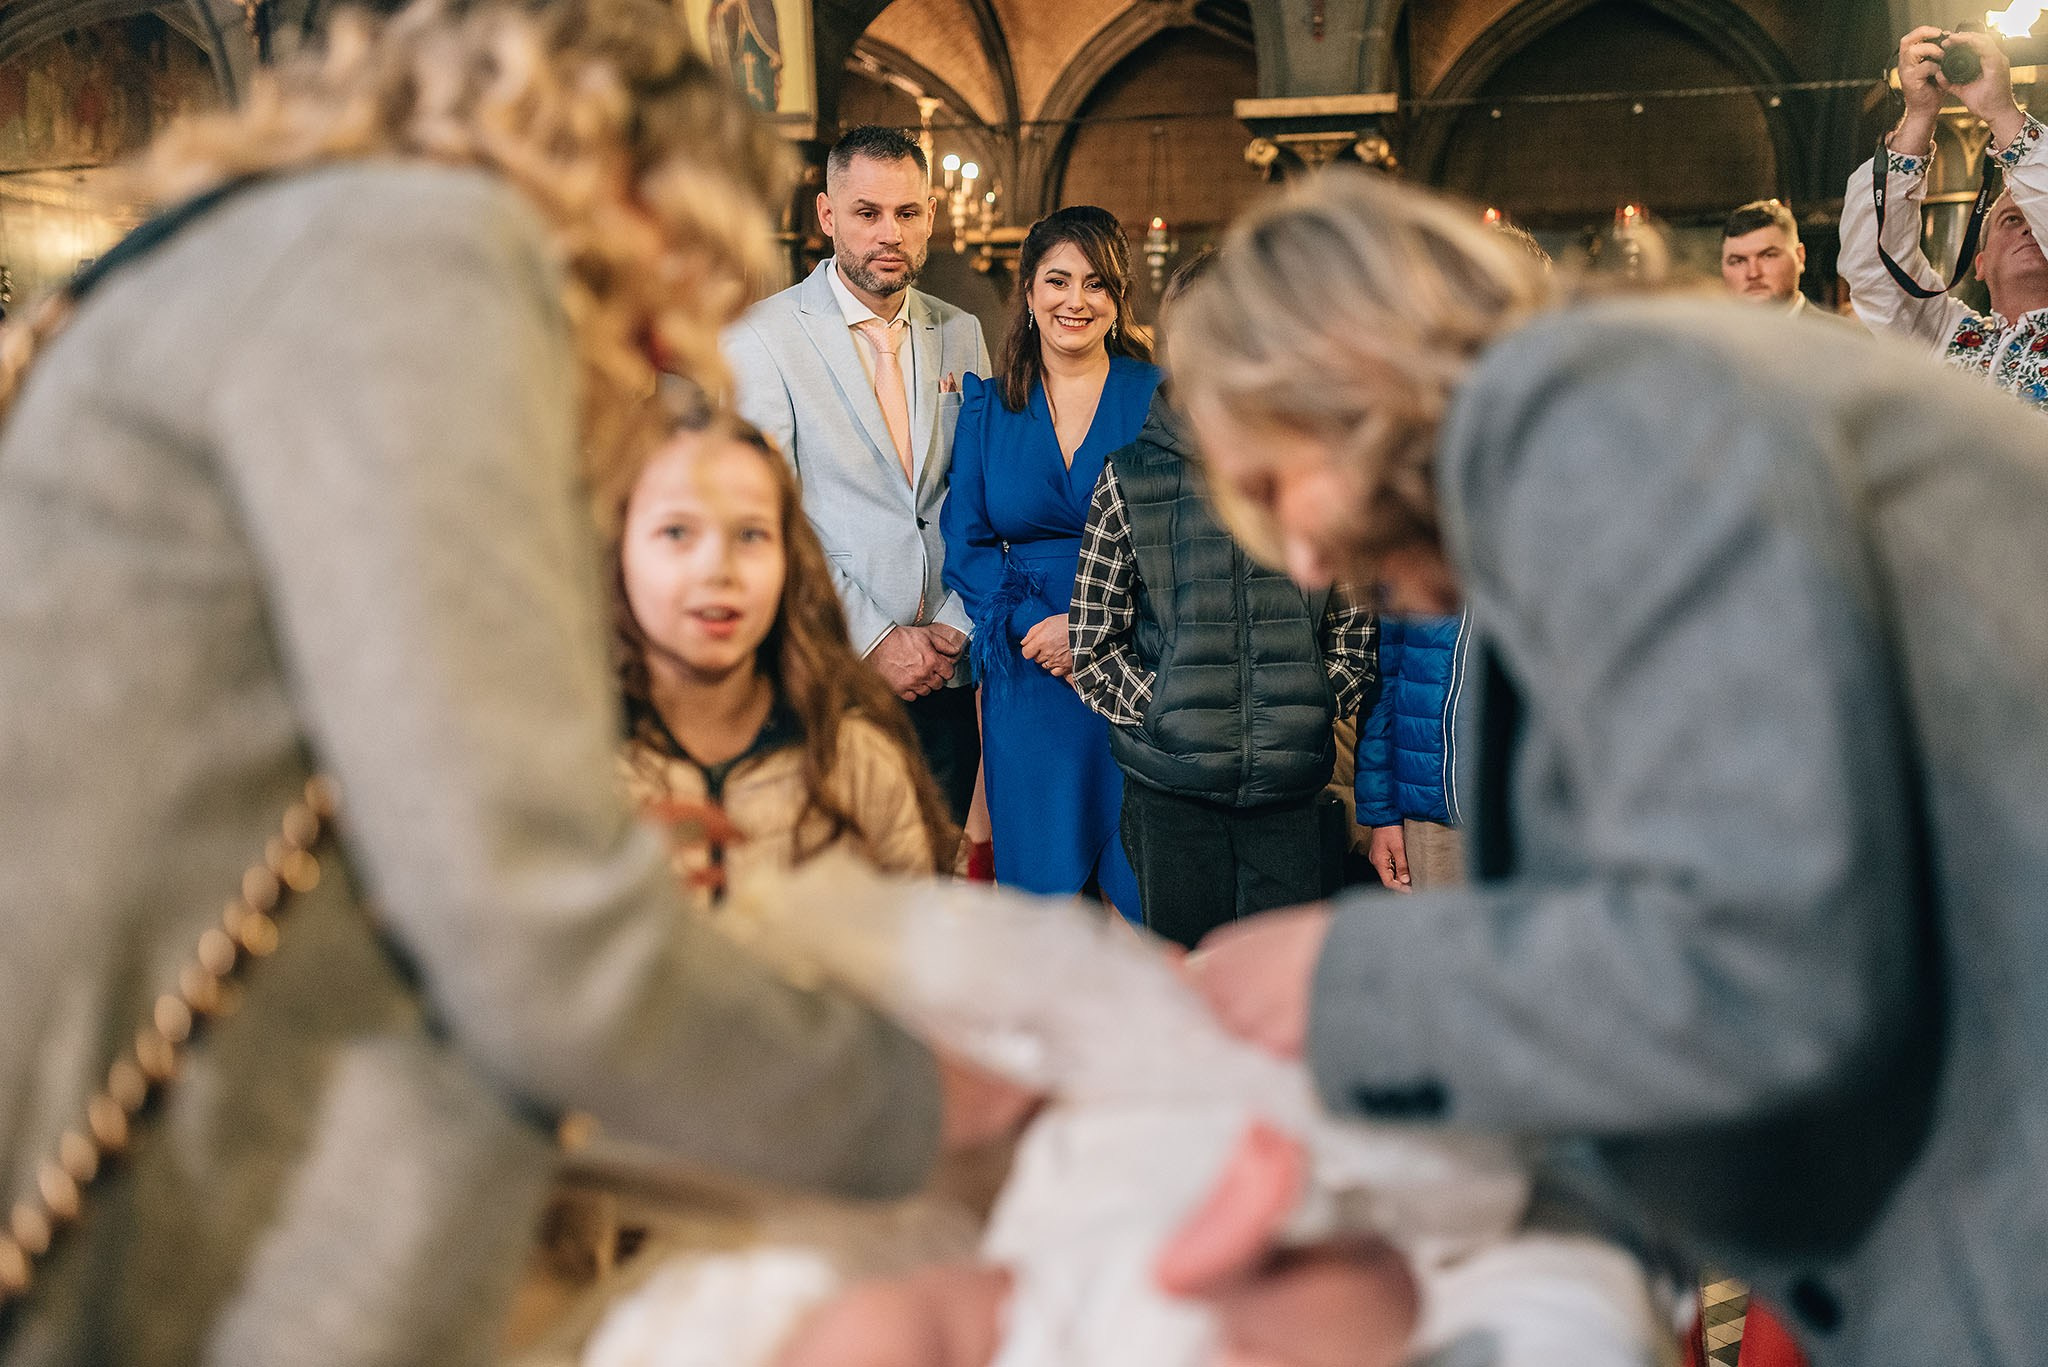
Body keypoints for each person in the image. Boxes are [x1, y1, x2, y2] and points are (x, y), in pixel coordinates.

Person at [0, 3, 1029, 1360]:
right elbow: (524, 914)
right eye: (672, 288)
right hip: (129, 1119)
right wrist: (919, 1103)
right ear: (628, 184)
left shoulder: (284, 241)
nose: (655, 358)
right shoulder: (433, 253)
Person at [1148, 168, 2048, 1366]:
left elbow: (1761, 959)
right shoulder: (1575, 440)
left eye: (1272, 486)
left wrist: (1340, 981)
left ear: (1342, 374)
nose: (1303, 561)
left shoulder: (1597, 419)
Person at [1069, 251, 1376, 947]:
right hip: (1170, 799)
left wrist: (1307, 701)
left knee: (1282, 990)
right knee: (1185, 987)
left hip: (1291, 798)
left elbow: (1355, 630)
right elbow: (1093, 643)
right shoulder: (1131, 475)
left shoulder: (1319, 468)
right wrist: (1168, 709)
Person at [724, 125, 990, 823]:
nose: (889, 234)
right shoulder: (760, 338)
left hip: (948, 665)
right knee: (846, 873)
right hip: (835, 669)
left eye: (907, 213)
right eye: (867, 213)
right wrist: (873, 638)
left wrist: (956, 624)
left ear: (931, 215)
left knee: (935, 867)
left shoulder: (961, 331)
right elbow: (766, 519)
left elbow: (981, 493)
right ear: (827, 214)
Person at [613, 400, 952, 899]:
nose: (717, 569)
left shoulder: (856, 760)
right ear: (619, 551)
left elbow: (912, 937)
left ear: (789, 559)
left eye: (751, 534)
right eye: (677, 532)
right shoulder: (578, 769)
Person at [940, 207, 1160, 914]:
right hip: (1029, 673)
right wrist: (1031, 623)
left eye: (1096, 283)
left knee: (1140, 899)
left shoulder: (1159, 396)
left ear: (1118, 297)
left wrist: (1091, 631)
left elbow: (1184, 539)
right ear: (1029, 292)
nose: (1076, 300)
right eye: (1058, 280)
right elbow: (966, 543)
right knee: (1042, 907)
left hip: (1136, 668)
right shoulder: (987, 405)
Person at [1839, 26, 2048, 404]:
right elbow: (1874, 268)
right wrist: (1919, 115)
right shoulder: (1945, 338)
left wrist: (2001, 113)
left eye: (2035, 217)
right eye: (2011, 220)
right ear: (1980, 263)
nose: (2030, 229)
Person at [1353, 609, 1468, 893]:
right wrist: (1383, 815)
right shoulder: (1418, 577)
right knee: (1437, 922)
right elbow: (1384, 678)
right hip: (1433, 805)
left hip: (1536, 802)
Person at [1719, 199, 1819, 316]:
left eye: (1768, 256)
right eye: (1738, 261)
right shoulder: (1707, 328)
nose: (1753, 273)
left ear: (1800, 257)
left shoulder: (1835, 327)